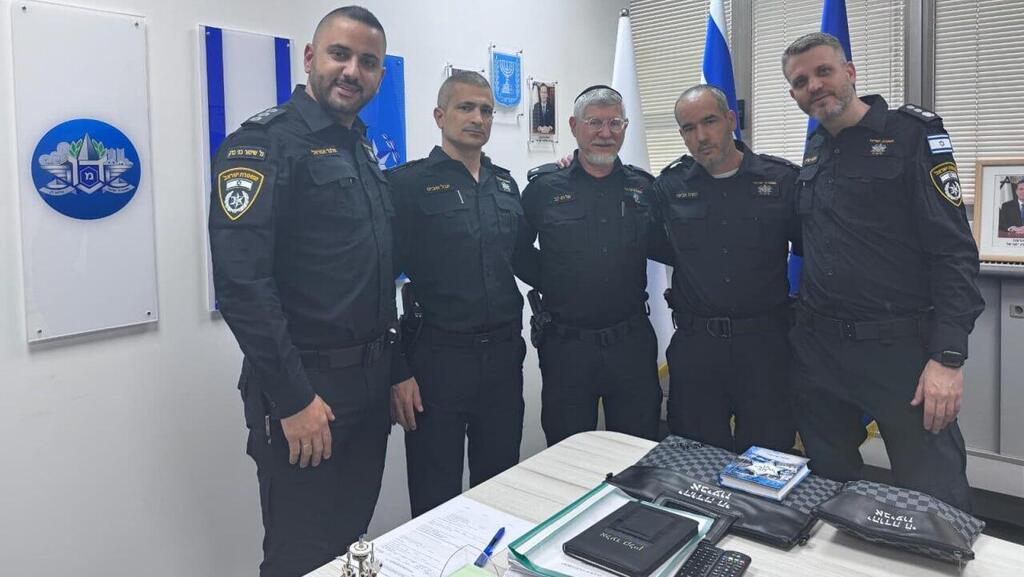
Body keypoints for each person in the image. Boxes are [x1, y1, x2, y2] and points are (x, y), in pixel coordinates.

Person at [208, 7, 413, 576]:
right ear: (309, 59)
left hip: (369, 387)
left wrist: (394, 367)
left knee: (350, 546)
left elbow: (376, 274)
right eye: (340, 55)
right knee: (300, 556)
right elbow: (243, 287)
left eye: (368, 63)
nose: (352, 71)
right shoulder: (262, 145)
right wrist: (293, 399)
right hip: (307, 391)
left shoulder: (363, 148)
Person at [782, 32, 984, 511]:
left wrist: (948, 358)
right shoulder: (815, 151)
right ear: (793, 94)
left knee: (935, 496)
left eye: (823, 72)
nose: (814, 85)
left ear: (850, 72)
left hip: (901, 355)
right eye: (801, 81)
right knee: (829, 486)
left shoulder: (913, 135)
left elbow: (955, 252)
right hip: (822, 352)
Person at [387, 71, 533, 517]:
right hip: (437, 363)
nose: (478, 118)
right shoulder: (406, 186)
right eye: (466, 108)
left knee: (502, 489)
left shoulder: (506, 185)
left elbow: (526, 262)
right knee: (436, 498)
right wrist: (397, 372)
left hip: (504, 361)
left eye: (486, 110)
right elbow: (377, 285)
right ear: (439, 115)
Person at [648, 84, 800, 454]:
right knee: (694, 456)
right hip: (698, 347)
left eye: (710, 121)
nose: (701, 136)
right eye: (688, 128)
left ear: (730, 120)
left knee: (767, 458)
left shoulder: (781, 181)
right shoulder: (668, 187)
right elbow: (653, 243)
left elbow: (817, 251)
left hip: (764, 348)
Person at [520, 85, 662, 446]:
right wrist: (557, 281)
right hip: (568, 346)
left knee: (636, 450)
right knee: (568, 452)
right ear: (573, 125)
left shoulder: (644, 189)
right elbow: (515, 251)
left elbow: (667, 246)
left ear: (626, 127)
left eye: (615, 122)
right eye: (594, 122)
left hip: (630, 342)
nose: (605, 133)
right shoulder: (544, 189)